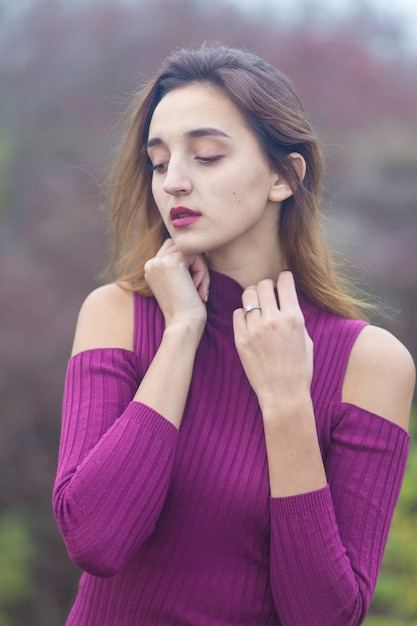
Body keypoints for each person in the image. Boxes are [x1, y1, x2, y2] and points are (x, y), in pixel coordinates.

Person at [53, 45, 415, 626]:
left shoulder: (369, 365)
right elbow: (95, 540)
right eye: (159, 161)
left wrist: (287, 400)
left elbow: (324, 617)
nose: (174, 182)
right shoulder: (116, 316)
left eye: (207, 156)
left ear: (283, 176)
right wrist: (182, 333)